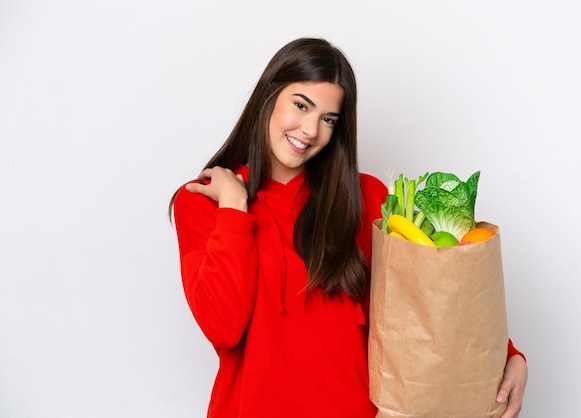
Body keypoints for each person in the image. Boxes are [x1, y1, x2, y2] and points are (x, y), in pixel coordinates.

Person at [170, 37, 527, 418]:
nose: (310, 130)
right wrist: (235, 208)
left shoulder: (365, 198)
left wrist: (509, 356)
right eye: (301, 106)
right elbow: (223, 326)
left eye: (328, 119)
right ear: (269, 96)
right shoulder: (201, 202)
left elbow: (426, 296)